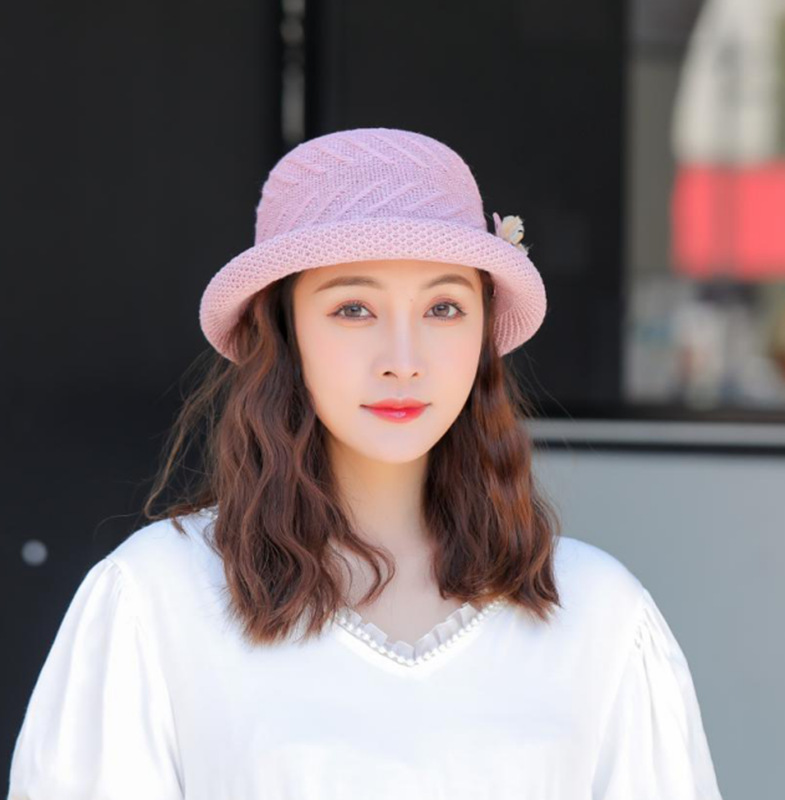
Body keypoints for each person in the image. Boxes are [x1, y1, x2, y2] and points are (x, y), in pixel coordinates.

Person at [7, 127, 725, 799]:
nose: (403, 361)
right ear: (280, 332)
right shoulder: (157, 597)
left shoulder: (599, 615)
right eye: (354, 309)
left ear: (482, 334)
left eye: (443, 309)